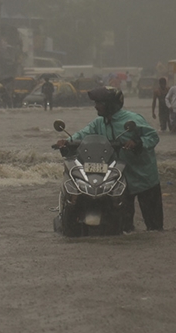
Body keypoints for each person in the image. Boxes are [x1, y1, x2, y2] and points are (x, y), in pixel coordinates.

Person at [55, 86, 163, 232]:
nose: (95, 106)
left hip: (144, 178)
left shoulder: (133, 120)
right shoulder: (99, 123)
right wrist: (67, 141)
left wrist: (137, 142)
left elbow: (153, 136)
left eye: (99, 103)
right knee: (124, 228)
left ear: (110, 105)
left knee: (155, 227)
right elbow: (83, 134)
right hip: (120, 179)